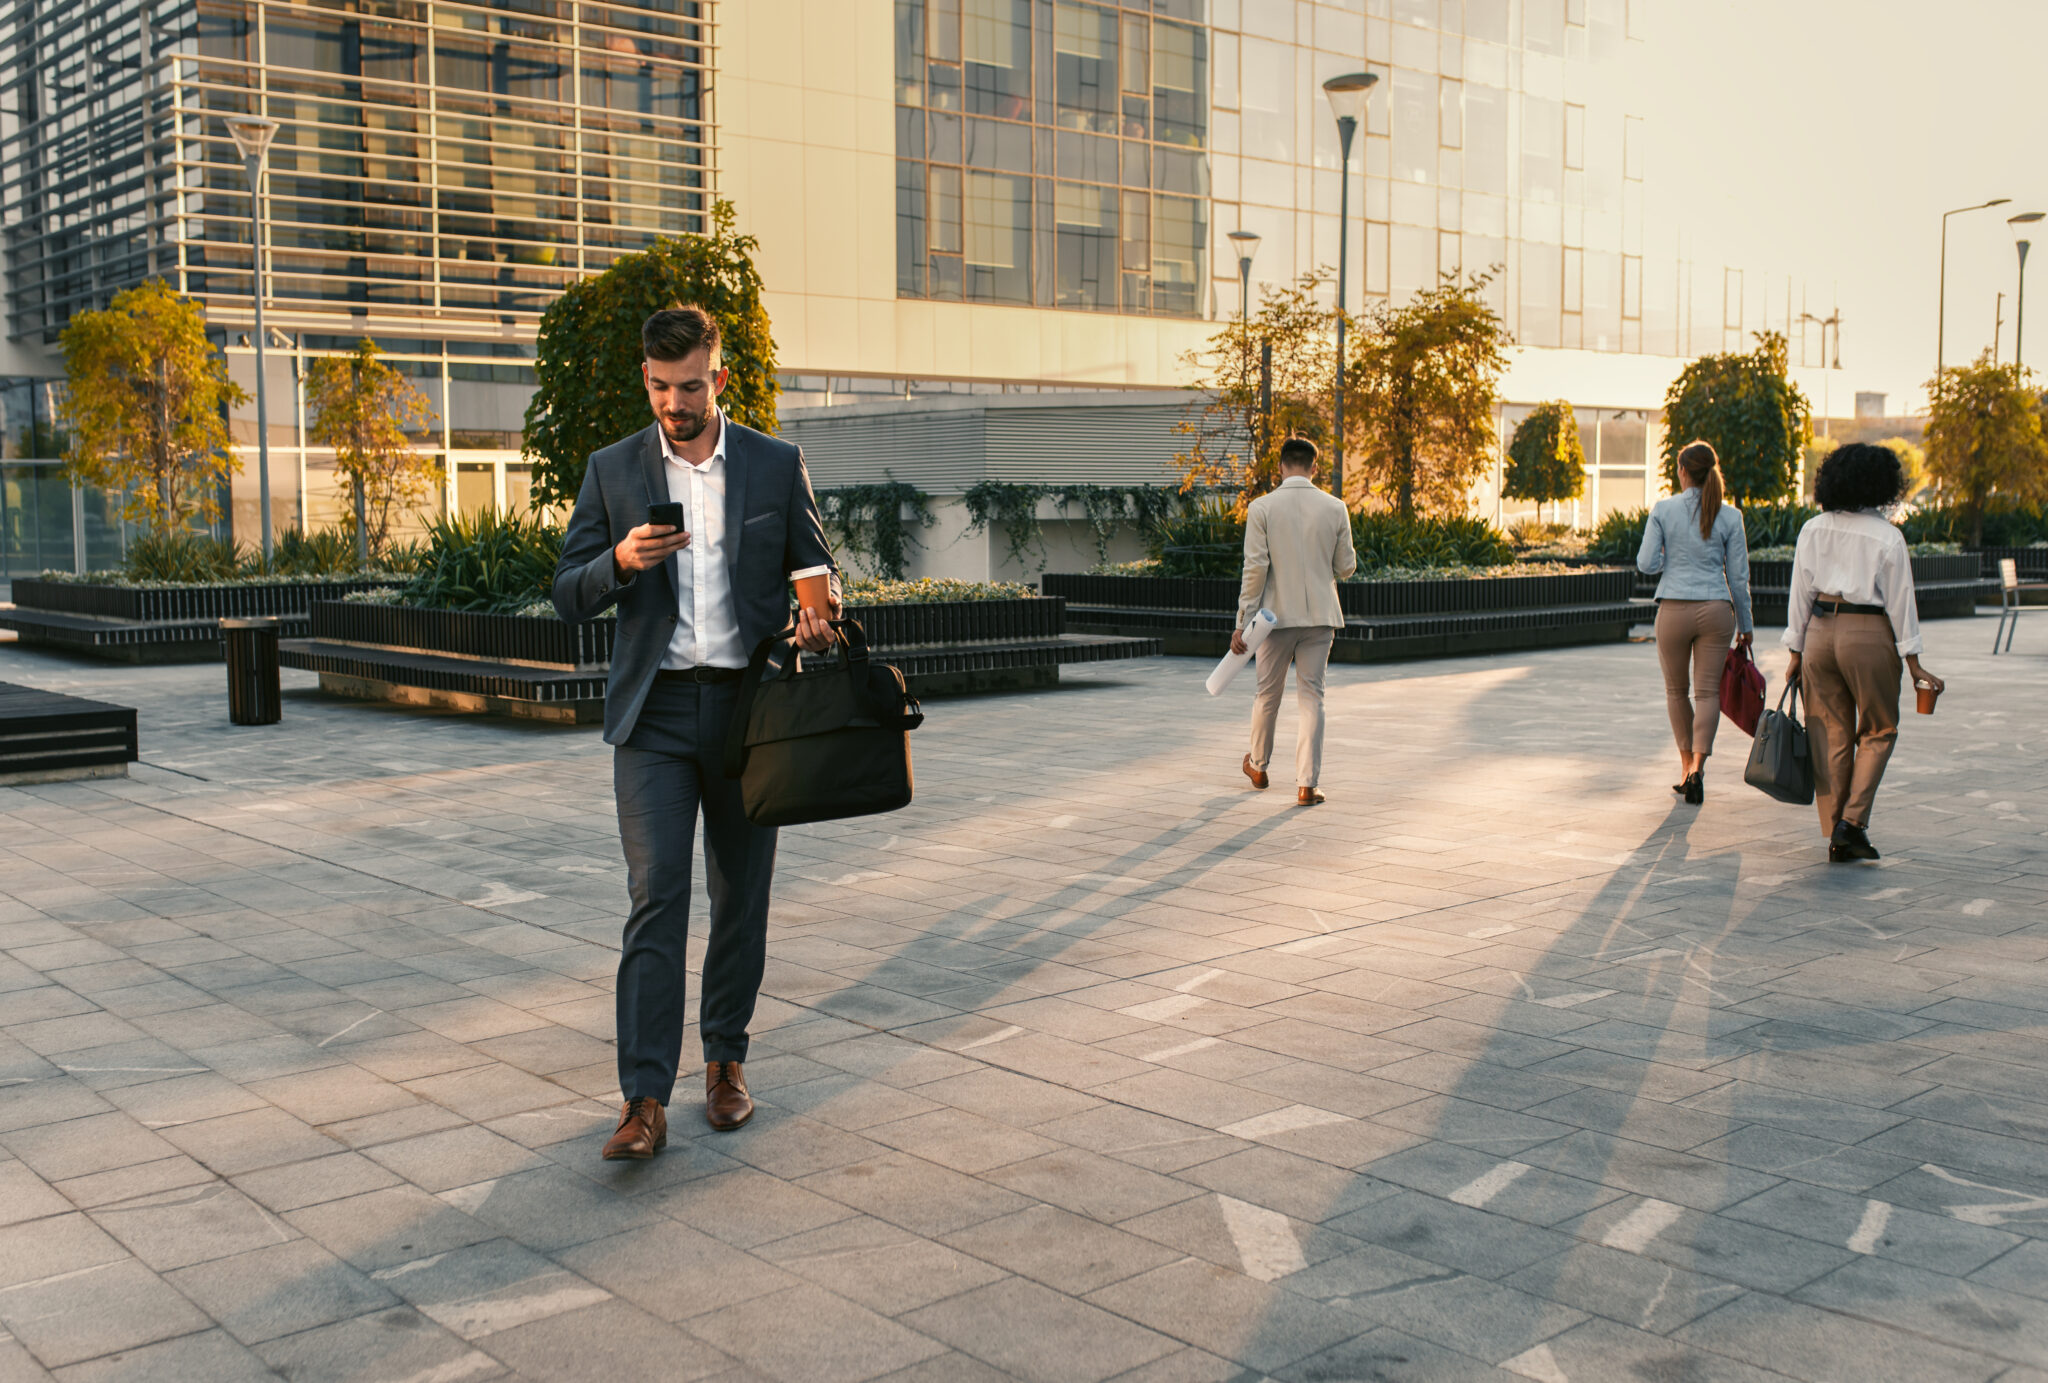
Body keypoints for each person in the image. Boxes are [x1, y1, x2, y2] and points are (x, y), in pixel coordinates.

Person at [553, 306, 839, 1159]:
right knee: (657, 896)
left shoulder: (774, 463)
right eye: (659, 386)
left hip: (751, 713)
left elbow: (816, 570)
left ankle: (724, 1062)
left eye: (688, 387)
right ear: (646, 378)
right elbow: (567, 592)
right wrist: (620, 561)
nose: (673, 403)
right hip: (656, 716)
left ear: (719, 377)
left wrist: (819, 620)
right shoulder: (612, 469)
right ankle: (643, 1097)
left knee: (741, 895)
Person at [1783, 442, 1943, 863]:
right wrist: (1914, 663)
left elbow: (1800, 593)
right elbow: (1901, 603)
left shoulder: (1813, 529)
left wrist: (1795, 651)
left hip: (1819, 631)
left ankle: (1837, 828)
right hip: (1868, 631)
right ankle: (1851, 824)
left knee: (1830, 732)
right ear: (1883, 485)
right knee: (1879, 728)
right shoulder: (1887, 537)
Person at [1231, 438, 1359, 805]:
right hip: (1320, 617)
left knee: (1267, 694)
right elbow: (1346, 567)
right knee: (1312, 698)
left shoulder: (1262, 508)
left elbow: (1255, 568)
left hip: (1275, 619)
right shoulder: (1335, 507)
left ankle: (1258, 766)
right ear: (1314, 467)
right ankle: (1307, 785)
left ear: (1281, 467)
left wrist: (1243, 621)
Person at [1637, 440, 1754, 804]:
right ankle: (1698, 769)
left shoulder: (1664, 509)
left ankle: (1686, 766)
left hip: (1673, 608)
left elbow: (1646, 564)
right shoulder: (1730, 515)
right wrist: (1746, 625)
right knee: (1707, 694)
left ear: (1683, 471)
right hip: (1716, 609)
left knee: (1676, 691)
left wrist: (1668, 559)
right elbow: (1739, 578)